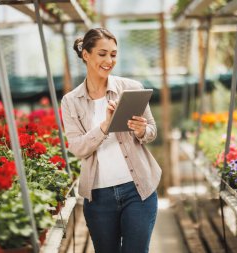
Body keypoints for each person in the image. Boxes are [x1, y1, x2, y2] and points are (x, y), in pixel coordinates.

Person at [61, 28, 162, 253]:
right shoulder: (71, 102)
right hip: (99, 198)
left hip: (138, 192)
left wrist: (141, 130)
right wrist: (105, 126)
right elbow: (77, 148)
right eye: (102, 54)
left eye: (114, 54)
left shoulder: (131, 88)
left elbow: (152, 130)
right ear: (86, 55)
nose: (109, 60)